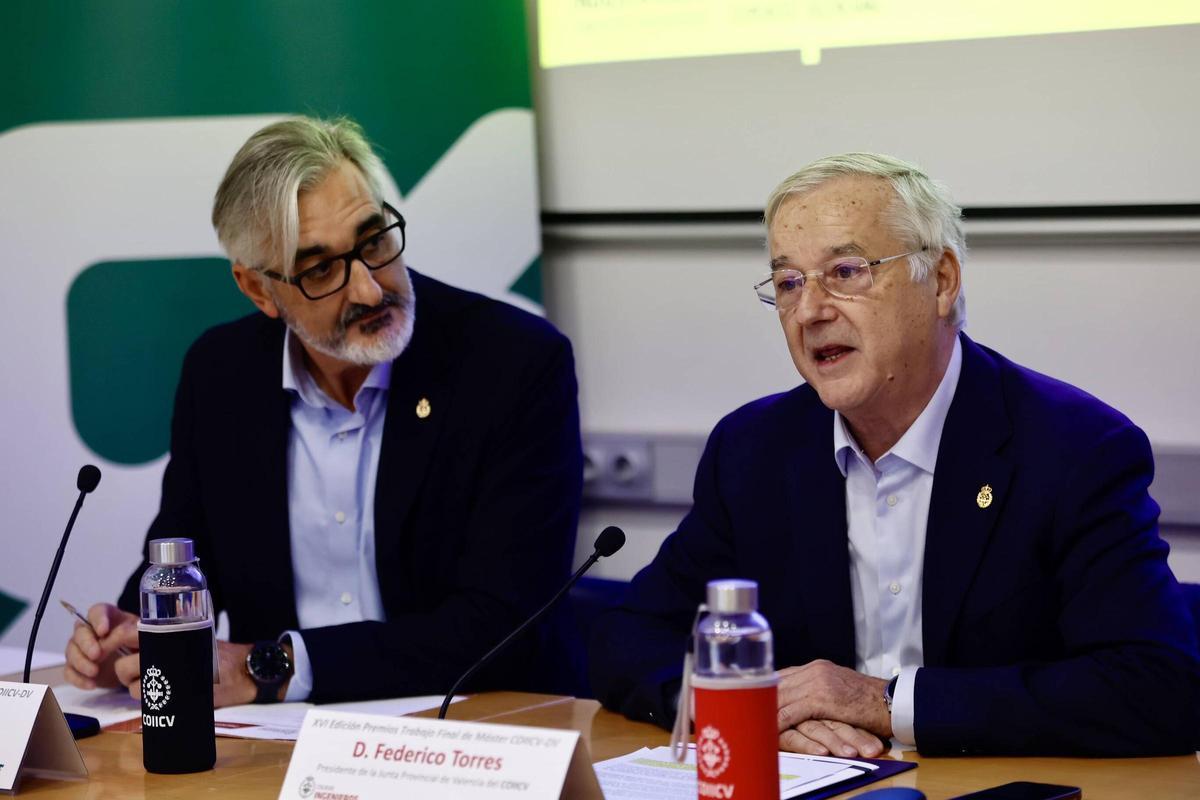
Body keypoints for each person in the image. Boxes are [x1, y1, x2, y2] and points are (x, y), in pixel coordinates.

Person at [590, 153, 1200, 756]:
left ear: (941, 281)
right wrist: (756, 712)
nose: (810, 311)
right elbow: (632, 637)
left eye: (847, 271)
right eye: (788, 283)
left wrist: (884, 702)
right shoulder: (754, 449)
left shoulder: (1072, 448)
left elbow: (1157, 685)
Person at [64, 116, 583, 706]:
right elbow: (186, 555)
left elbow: (505, 621)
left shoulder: (511, 364)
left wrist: (274, 667)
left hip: (478, 728)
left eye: (374, 242)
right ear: (259, 290)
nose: (368, 289)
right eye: (320, 270)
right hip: (276, 745)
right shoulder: (221, 375)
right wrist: (137, 635)